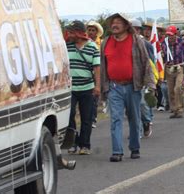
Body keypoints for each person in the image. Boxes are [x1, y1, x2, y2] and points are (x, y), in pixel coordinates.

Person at [101, 13, 155, 162]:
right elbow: (103, 66)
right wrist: (103, 88)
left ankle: (135, 148)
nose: (114, 25)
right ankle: (117, 151)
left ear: (126, 26)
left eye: (118, 22)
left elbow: (146, 62)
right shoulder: (105, 42)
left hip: (133, 86)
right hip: (114, 87)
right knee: (115, 119)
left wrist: (150, 85)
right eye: (113, 22)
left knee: (134, 118)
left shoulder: (136, 41)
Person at [65, 20, 101, 155]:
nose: (69, 34)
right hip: (71, 88)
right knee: (70, 115)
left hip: (87, 88)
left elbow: (97, 68)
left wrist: (97, 86)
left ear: (79, 33)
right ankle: (74, 142)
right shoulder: (67, 46)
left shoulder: (92, 47)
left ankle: (85, 145)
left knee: (87, 118)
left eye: (72, 32)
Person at [131, 20, 156, 138]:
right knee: (131, 107)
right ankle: (136, 131)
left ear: (139, 30)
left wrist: (150, 80)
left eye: (135, 28)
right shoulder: (124, 43)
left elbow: (151, 63)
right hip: (128, 79)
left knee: (141, 103)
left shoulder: (146, 44)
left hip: (142, 79)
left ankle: (146, 122)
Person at [161, 25, 184, 118]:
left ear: (175, 34)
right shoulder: (164, 43)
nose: (170, 37)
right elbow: (161, 56)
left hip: (179, 67)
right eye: (168, 35)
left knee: (178, 88)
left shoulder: (181, 42)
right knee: (170, 90)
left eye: (171, 35)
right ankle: (174, 109)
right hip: (169, 68)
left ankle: (180, 108)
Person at [86, 20, 104, 129]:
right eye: (89, 30)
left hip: (98, 72)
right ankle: (90, 117)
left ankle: (93, 117)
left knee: (95, 97)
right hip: (87, 73)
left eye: (93, 30)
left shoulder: (101, 44)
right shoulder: (84, 42)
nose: (91, 32)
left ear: (96, 32)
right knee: (89, 97)